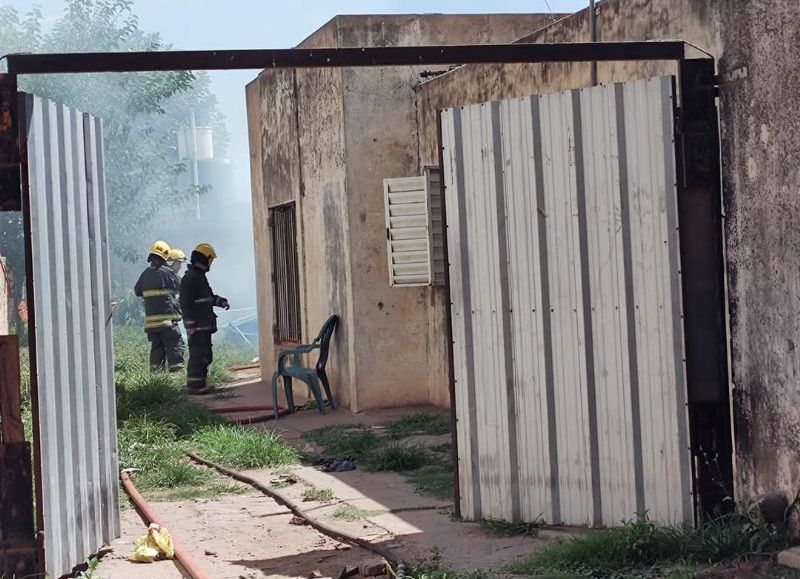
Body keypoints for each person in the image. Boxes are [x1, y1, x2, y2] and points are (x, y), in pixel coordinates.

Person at [180, 243, 230, 394]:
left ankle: (200, 384)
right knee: (198, 356)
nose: (210, 263)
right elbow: (185, 303)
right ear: (204, 259)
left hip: (203, 325)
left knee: (205, 355)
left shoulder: (199, 277)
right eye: (210, 260)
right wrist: (190, 325)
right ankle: (194, 387)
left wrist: (220, 301)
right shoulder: (190, 278)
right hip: (197, 326)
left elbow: (207, 298)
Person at [134, 240, 185, 372]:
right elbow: (184, 286)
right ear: (165, 256)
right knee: (175, 345)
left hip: (151, 324)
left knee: (157, 348)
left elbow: (137, 291)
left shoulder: (145, 274)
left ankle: (156, 376)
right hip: (167, 322)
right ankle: (176, 375)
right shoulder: (167, 273)